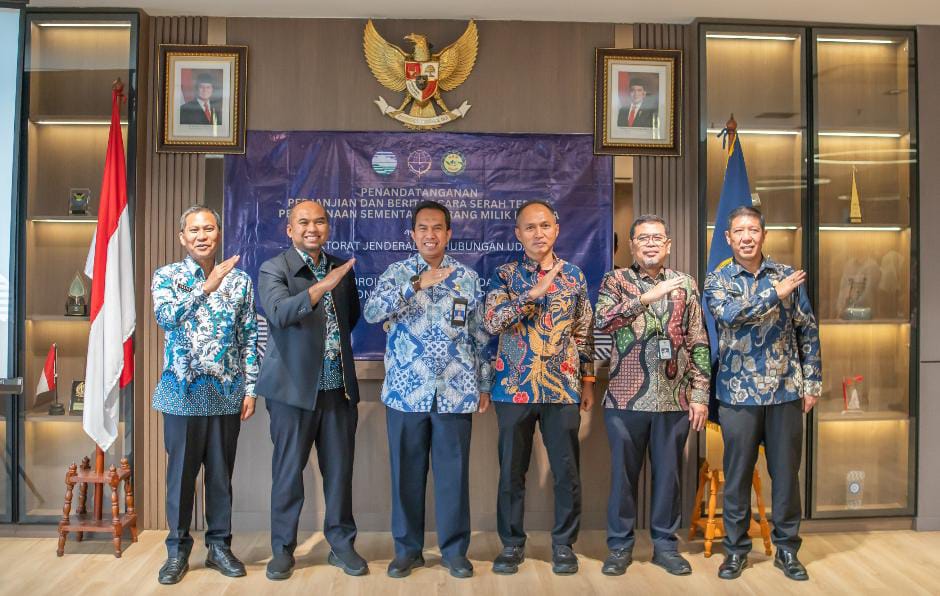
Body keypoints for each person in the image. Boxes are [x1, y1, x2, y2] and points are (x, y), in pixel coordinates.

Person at [363, 200, 494, 579]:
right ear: (413, 234)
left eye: (437, 228)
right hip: (406, 392)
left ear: (448, 233)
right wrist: (415, 285)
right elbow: (372, 313)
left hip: (456, 392)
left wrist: (484, 383)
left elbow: (479, 336)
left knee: (454, 477)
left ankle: (454, 552)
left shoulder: (466, 278)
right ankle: (407, 551)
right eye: (423, 228)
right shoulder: (397, 273)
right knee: (406, 475)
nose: (430, 234)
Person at [704, 205, 821, 582]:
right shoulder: (718, 279)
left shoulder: (788, 275)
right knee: (737, 476)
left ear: (763, 234)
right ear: (728, 238)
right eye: (739, 231)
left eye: (753, 230)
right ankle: (736, 550)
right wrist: (774, 294)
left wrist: (812, 383)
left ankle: (787, 549)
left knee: (786, 476)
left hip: (786, 392)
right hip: (738, 395)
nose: (746, 237)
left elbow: (807, 330)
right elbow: (729, 316)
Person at [594, 214, 710, 577]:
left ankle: (665, 546)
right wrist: (645, 299)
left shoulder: (685, 284)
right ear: (631, 245)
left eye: (657, 238)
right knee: (623, 478)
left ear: (668, 245)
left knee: (669, 476)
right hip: (625, 399)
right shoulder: (615, 280)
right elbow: (603, 321)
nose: (651, 243)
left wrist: (700, 394)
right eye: (643, 238)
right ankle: (620, 547)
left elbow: (698, 339)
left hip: (675, 399)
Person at [483, 200, 595, 576]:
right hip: (513, 388)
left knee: (567, 471)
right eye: (529, 227)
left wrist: (588, 380)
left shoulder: (574, 276)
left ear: (556, 229)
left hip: (562, 388)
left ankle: (563, 545)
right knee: (511, 473)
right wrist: (531, 295)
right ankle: (512, 544)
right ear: (518, 234)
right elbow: (493, 322)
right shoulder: (504, 275)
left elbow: (583, 332)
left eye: (544, 225)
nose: (538, 233)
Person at [255, 200, 365, 580]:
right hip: (292, 391)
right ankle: (283, 550)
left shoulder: (341, 268)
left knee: (340, 473)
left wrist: (333, 281)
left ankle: (341, 545)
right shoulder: (274, 268)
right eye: (303, 222)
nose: (312, 228)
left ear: (328, 228)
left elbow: (351, 318)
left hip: (338, 389)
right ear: (290, 229)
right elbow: (280, 314)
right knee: (288, 474)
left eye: (319, 221)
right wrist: (321, 287)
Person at [151, 205, 258, 585]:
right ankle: (177, 551)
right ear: (182, 237)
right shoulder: (167, 276)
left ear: (218, 233)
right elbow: (165, 318)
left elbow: (249, 336)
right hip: (182, 392)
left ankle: (219, 547)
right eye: (194, 230)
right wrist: (205, 288)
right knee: (181, 477)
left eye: (208, 229)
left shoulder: (240, 281)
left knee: (220, 476)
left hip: (226, 392)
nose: (202, 236)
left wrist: (250, 387)